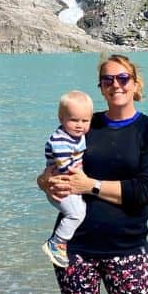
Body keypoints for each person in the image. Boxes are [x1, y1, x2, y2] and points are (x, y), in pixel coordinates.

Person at [38, 54, 148, 294]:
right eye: (107, 79)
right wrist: (44, 181)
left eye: (122, 78)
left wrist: (89, 185)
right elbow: (53, 164)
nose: (115, 84)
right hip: (74, 248)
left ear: (135, 83)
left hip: (127, 247)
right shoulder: (85, 123)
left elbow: (143, 193)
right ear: (100, 87)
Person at [42, 90, 94, 268]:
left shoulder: (75, 136)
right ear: (61, 118)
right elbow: (65, 166)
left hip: (67, 184)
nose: (80, 125)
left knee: (79, 210)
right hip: (62, 185)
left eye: (85, 121)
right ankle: (56, 242)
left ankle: (60, 242)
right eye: (74, 120)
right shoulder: (60, 140)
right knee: (77, 213)